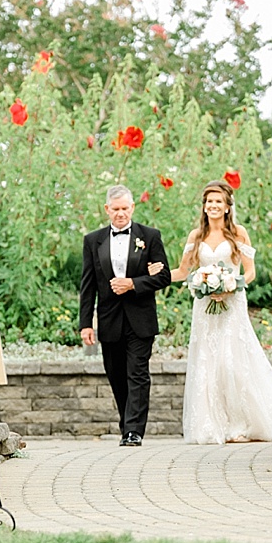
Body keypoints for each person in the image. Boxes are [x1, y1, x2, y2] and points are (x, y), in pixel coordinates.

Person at [148, 180, 272, 444]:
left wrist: (232, 286)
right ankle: (212, 425)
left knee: (232, 363)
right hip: (205, 308)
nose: (213, 206)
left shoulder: (238, 233)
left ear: (228, 207)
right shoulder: (196, 236)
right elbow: (183, 272)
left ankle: (240, 425)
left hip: (232, 306)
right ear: (204, 207)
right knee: (208, 363)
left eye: (218, 201)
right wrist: (155, 277)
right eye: (209, 202)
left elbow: (250, 271)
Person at [80, 184, 172, 446]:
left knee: (138, 374)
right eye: (115, 209)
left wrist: (133, 283)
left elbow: (164, 276)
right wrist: (86, 324)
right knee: (116, 374)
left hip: (140, 319)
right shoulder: (92, 240)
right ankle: (126, 424)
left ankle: (134, 431)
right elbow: (87, 286)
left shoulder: (150, 236)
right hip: (109, 319)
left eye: (125, 208)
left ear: (132, 207)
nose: (120, 213)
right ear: (107, 209)